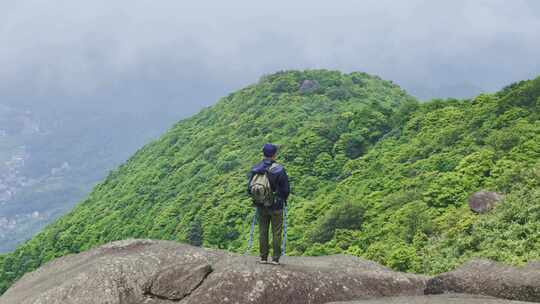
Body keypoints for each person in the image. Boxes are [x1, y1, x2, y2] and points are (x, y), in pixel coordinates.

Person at [247, 143, 290, 265]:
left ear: (263, 153)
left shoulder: (255, 168)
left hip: (261, 205)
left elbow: (249, 188)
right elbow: (286, 190)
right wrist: (281, 199)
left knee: (263, 230)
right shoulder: (279, 169)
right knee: (276, 231)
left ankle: (263, 258)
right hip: (276, 206)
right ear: (274, 154)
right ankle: (275, 259)